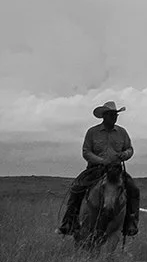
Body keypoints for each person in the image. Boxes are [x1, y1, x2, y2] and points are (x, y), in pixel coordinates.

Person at [58, 100, 140, 237]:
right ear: (104, 116)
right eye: (111, 115)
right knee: (77, 188)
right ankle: (69, 222)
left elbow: (130, 149)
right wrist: (101, 161)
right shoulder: (92, 132)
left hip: (116, 169)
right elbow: (86, 151)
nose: (114, 117)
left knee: (134, 190)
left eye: (115, 115)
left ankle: (131, 223)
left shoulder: (122, 132)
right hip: (95, 169)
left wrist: (125, 154)